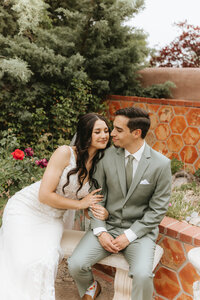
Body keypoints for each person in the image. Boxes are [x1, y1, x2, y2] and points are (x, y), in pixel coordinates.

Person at [0, 112, 111, 300]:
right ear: (86, 134)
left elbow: (87, 201)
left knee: (45, 260)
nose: (104, 135)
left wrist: (98, 211)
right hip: (26, 209)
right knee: (21, 259)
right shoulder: (65, 153)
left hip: (53, 218)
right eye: (97, 131)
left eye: (106, 131)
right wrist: (81, 204)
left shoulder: (101, 163)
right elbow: (44, 195)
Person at [68, 107, 172, 300]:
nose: (111, 134)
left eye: (118, 129)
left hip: (140, 233)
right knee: (76, 264)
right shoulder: (105, 157)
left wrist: (129, 235)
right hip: (108, 225)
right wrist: (100, 231)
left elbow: (157, 210)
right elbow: (97, 196)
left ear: (136, 133)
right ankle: (91, 288)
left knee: (142, 275)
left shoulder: (161, 164)